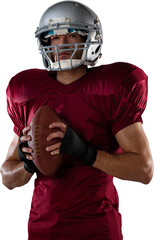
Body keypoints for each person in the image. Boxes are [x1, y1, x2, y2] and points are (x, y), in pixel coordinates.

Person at [0, 1, 153, 239]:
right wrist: (30, 164)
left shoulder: (112, 87)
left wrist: (85, 152)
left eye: (71, 34)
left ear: (89, 39)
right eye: (53, 35)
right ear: (45, 41)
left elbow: (144, 170)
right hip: (43, 228)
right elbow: (7, 178)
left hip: (97, 227)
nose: (61, 43)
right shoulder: (26, 92)